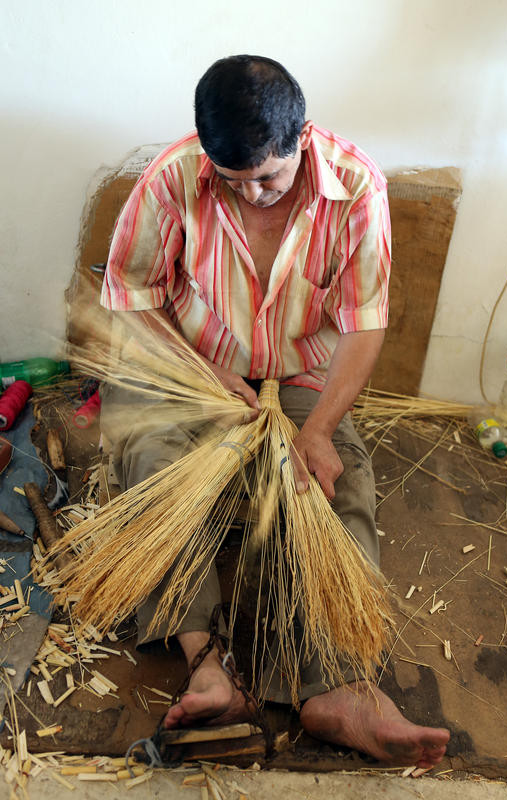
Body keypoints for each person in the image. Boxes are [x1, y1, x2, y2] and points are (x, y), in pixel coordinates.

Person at [100, 55, 450, 769]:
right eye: (232, 182)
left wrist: (317, 428)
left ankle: (334, 684)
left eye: (268, 176)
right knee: (153, 465)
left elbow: (362, 321)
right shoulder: (171, 178)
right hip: (190, 364)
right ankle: (207, 665)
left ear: (301, 138)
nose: (252, 196)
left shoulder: (355, 186)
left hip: (300, 373)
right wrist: (202, 374)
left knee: (336, 483)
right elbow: (129, 294)